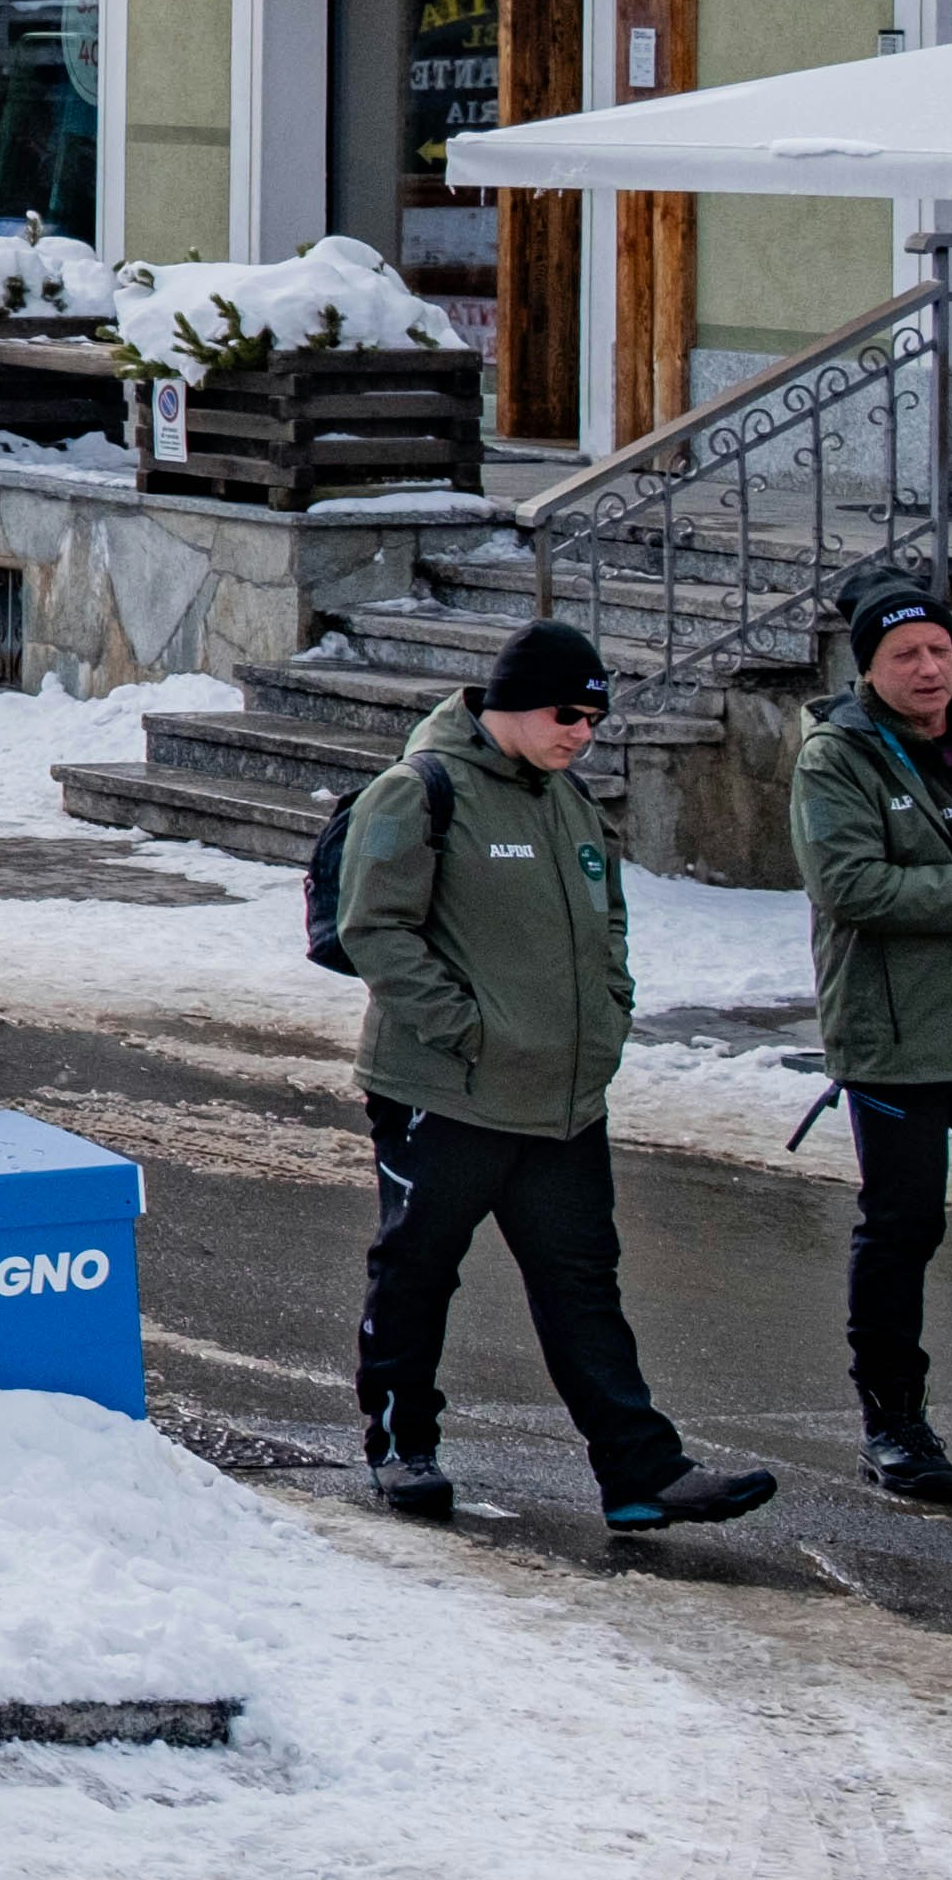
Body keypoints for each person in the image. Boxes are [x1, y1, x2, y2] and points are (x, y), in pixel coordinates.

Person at [335, 618, 782, 1534]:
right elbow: (373, 929)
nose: (582, 733)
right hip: (448, 1092)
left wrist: (610, 1010)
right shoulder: (420, 790)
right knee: (418, 1272)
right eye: (568, 714)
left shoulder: (569, 802)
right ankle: (402, 1446)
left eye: (595, 719)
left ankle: (640, 1473)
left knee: (583, 1288)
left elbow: (608, 921)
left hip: (564, 1101)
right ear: (511, 703)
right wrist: (468, 1031)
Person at [800, 583, 952, 1504]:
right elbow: (855, 887)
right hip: (895, 1033)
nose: (929, 668)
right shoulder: (837, 757)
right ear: (866, 667)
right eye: (905, 655)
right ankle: (893, 1421)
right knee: (906, 1225)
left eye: (939, 650)